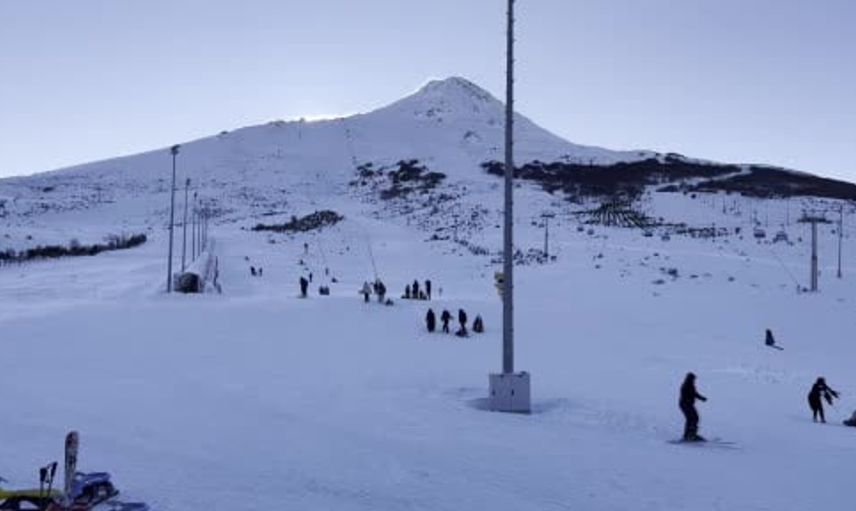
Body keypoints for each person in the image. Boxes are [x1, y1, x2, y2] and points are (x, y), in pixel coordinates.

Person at [679, 372, 707, 441]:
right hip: (685, 405)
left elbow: (694, 393)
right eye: (693, 379)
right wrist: (689, 400)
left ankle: (690, 434)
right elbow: (687, 395)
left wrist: (701, 398)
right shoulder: (686, 385)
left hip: (688, 404)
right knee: (693, 418)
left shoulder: (690, 385)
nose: (694, 380)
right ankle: (690, 435)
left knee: (693, 418)